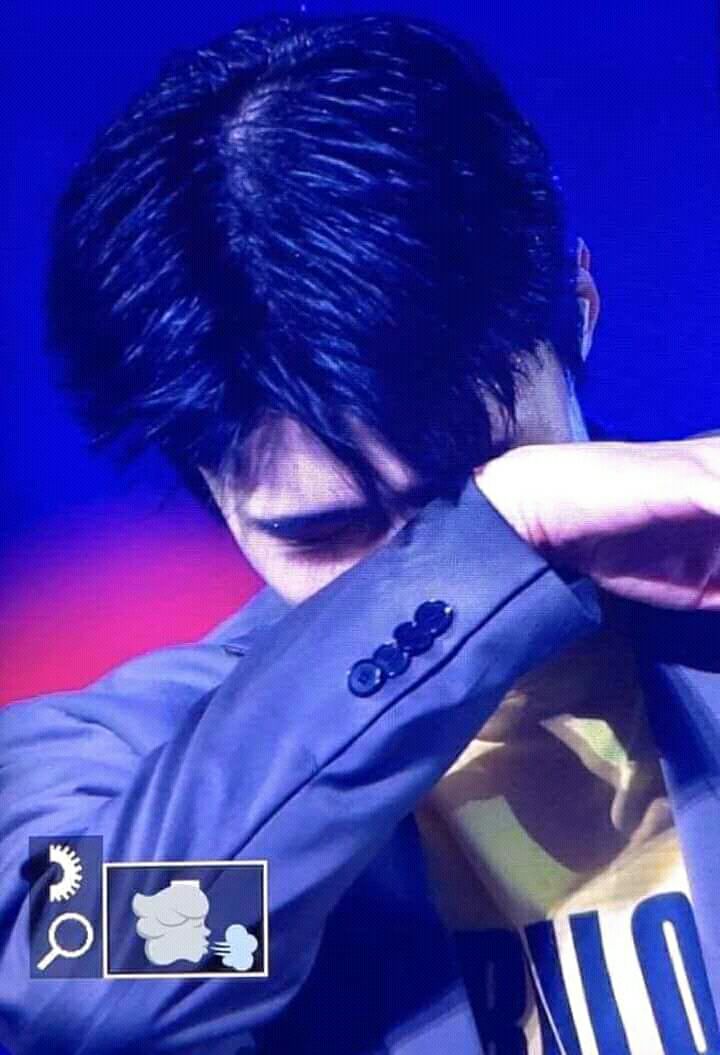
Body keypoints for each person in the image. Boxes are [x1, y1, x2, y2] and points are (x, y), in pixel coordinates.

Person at [1, 12, 719, 1054]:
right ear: (209, 488)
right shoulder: (130, 762)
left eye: (473, 482)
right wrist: (504, 530)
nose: (426, 555)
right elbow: (86, 998)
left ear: (579, 304)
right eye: (328, 530)